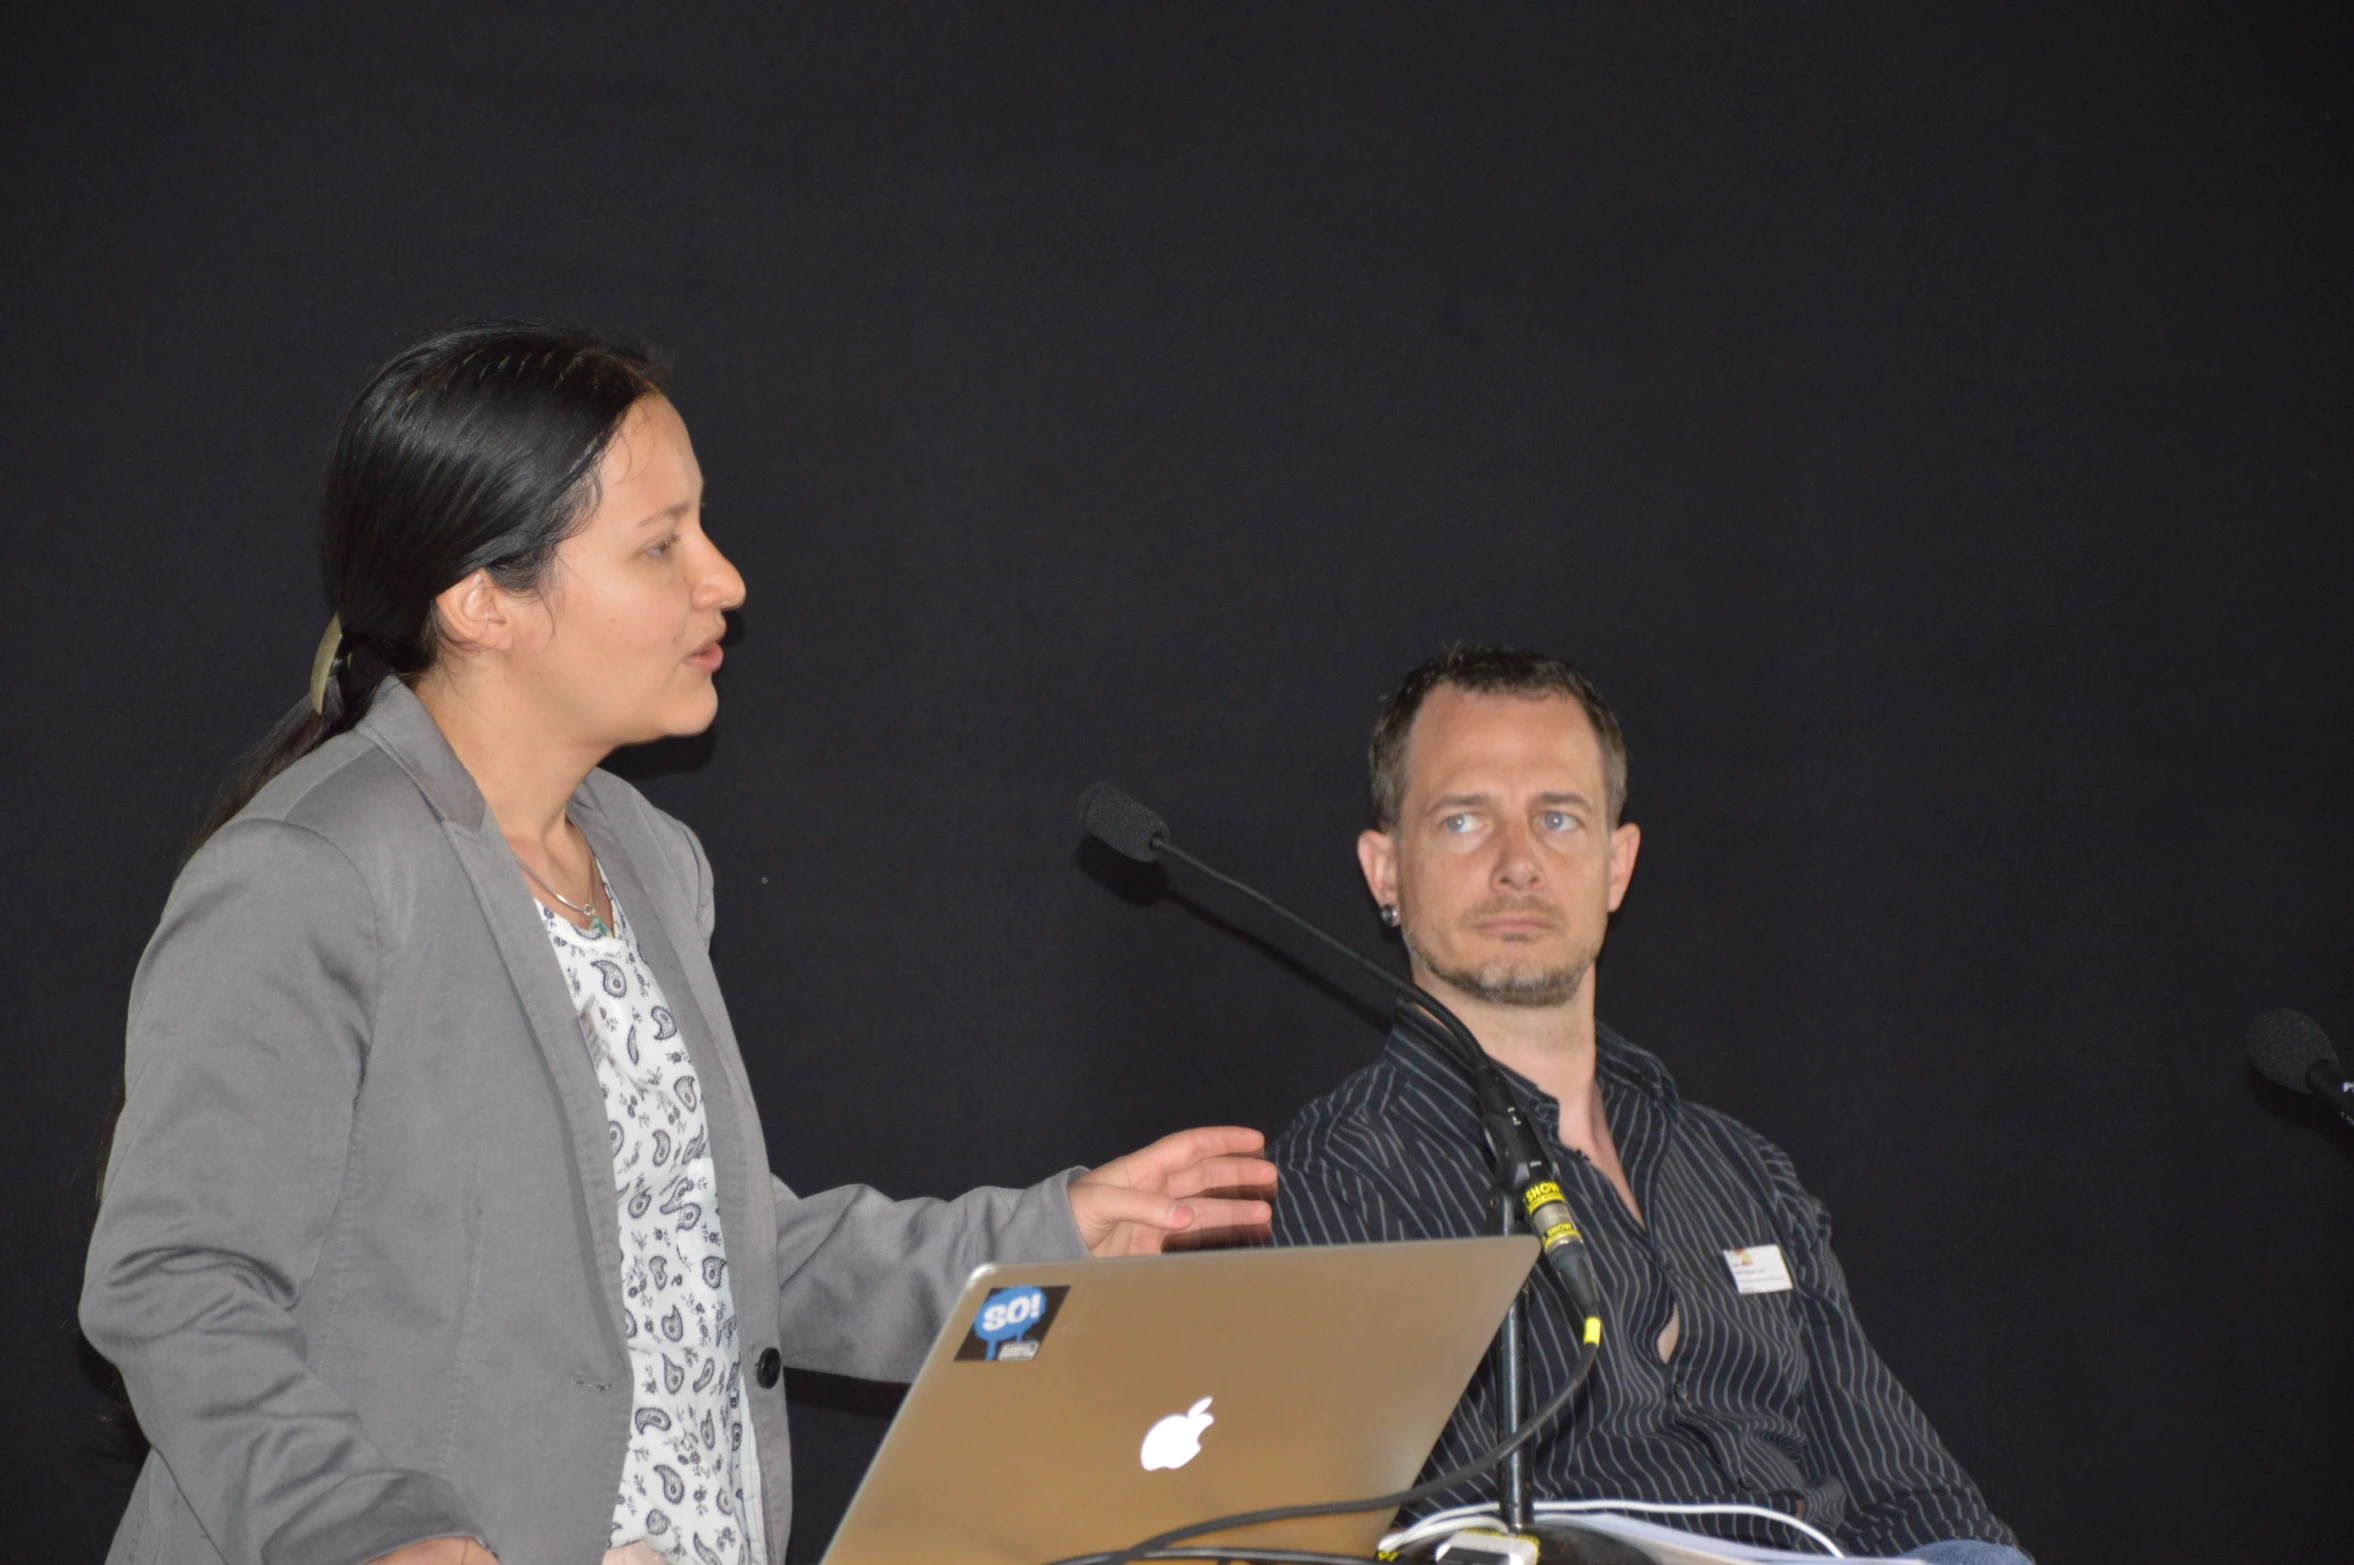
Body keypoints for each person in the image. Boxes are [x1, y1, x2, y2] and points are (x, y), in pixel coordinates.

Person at [81, 323, 1274, 1565]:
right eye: (660, 545)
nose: (725, 580)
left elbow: (716, 1250)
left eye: (699, 528)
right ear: (484, 600)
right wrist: (383, 1535)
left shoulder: (648, 854)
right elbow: (174, 1283)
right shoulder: (314, 872)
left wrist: (1050, 1238)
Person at [1267, 645, 2027, 1565]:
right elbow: (1424, 1534)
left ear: (1617, 864)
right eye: (1465, 820)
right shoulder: (1341, 1174)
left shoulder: (1742, 1170)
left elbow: (1916, 1497)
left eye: (1558, 818)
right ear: (1385, 872)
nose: (1518, 864)